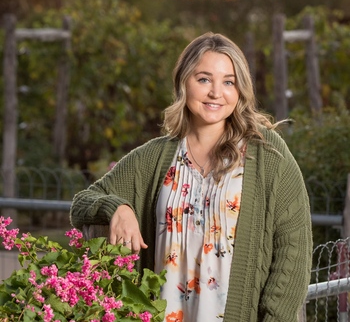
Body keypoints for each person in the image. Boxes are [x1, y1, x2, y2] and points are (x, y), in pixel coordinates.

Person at [70, 32, 312, 321]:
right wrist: (117, 209)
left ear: (240, 90)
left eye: (228, 82)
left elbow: (294, 249)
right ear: (184, 82)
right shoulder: (155, 158)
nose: (216, 93)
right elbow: (83, 203)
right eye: (204, 79)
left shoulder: (268, 155)